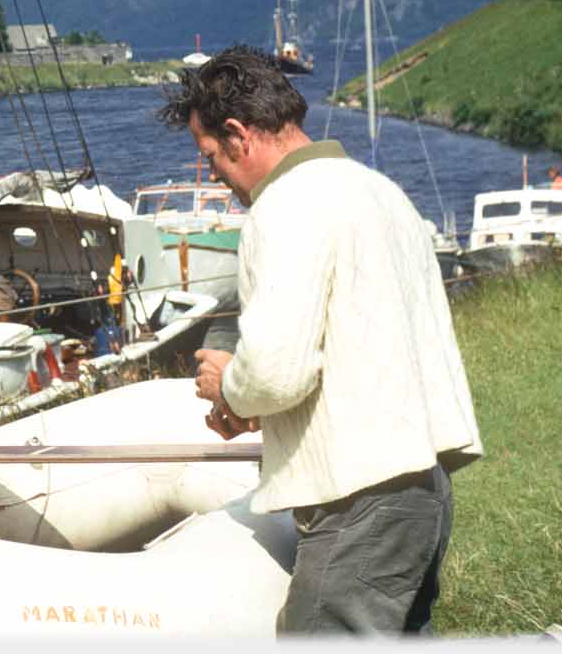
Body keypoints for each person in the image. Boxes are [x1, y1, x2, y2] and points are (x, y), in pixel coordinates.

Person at [158, 45, 482, 635]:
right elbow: (366, 351)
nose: (215, 176)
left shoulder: (283, 206)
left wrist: (229, 386)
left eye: (210, 157)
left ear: (238, 134)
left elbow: (277, 370)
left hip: (362, 497)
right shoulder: (380, 191)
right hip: (424, 485)